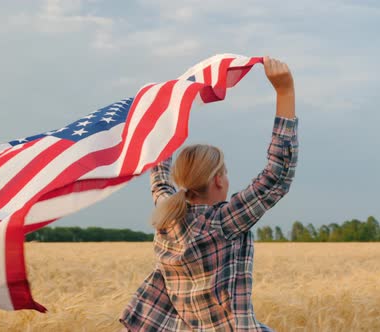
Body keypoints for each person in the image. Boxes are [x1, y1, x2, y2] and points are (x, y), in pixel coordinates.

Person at [119, 57, 298, 331]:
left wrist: (162, 120)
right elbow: (276, 176)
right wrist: (285, 91)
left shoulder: (167, 214)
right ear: (217, 180)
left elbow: (159, 178)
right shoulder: (224, 222)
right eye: (225, 172)